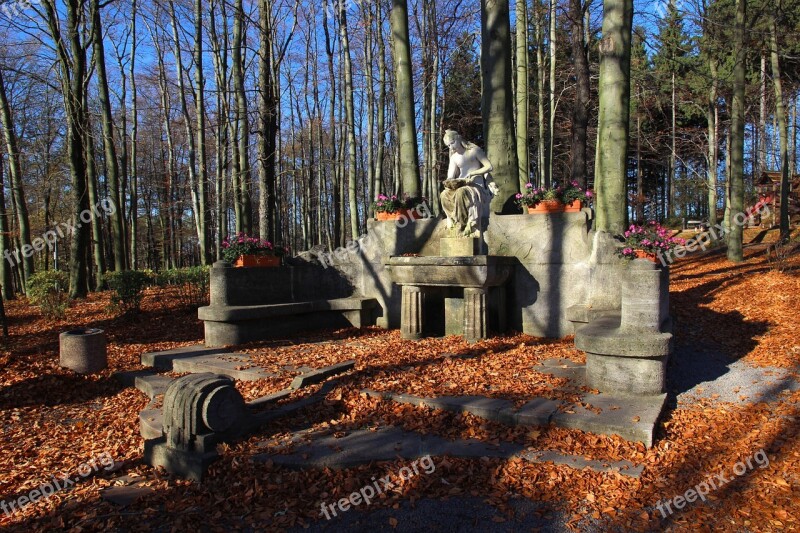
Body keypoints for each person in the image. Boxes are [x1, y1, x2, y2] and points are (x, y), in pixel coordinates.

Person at [440, 130, 498, 236]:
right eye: (448, 146)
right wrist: (449, 182)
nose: (451, 148)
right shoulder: (454, 157)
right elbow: (450, 176)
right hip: (461, 185)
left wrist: (473, 174)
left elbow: (489, 167)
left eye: (452, 143)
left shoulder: (474, 151)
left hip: (476, 186)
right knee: (444, 195)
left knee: (461, 193)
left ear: (458, 139)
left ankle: (462, 224)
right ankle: (454, 221)